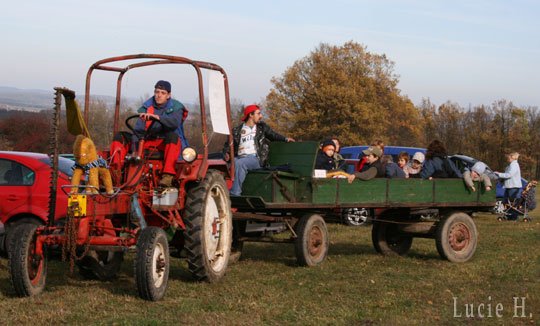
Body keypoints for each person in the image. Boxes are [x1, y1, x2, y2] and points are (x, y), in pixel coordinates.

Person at [109, 80, 188, 187]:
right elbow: (138, 130)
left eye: (162, 93)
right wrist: (136, 151)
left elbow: (174, 123)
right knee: (120, 137)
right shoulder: (147, 108)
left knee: (172, 137)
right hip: (146, 141)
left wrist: (158, 117)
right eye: (157, 92)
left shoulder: (176, 107)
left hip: (165, 143)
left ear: (168, 95)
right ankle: (116, 172)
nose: (159, 95)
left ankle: (167, 175)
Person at [223, 104, 294, 196]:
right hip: (239, 157)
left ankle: (235, 192)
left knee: (240, 164)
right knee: (228, 164)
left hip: (255, 159)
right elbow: (227, 146)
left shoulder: (262, 128)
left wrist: (285, 139)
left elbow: (273, 135)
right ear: (250, 115)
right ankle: (221, 192)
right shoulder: (236, 131)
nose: (261, 116)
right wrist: (226, 153)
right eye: (258, 113)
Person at [495, 152, 522, 220]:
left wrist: (499, 174)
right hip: (509, 186)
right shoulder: (511, 165)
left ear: (512, 158)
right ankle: (509, 216)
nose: (507, 159)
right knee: (505, 202)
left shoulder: (514, 165)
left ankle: (513, 217)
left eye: (509, 157)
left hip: (513, 187)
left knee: (511, 203)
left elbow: (509, 175)